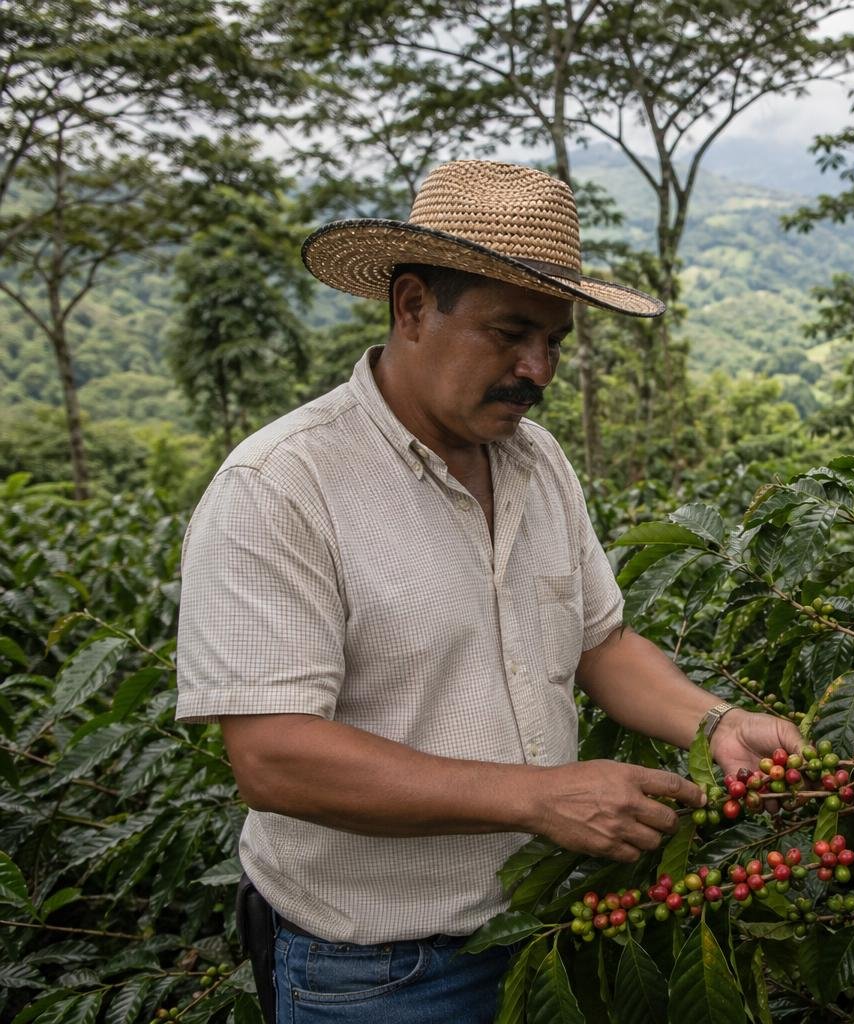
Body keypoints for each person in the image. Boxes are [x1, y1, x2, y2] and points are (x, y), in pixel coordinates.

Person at [174, 160, 802, 1023]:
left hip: (546, 926)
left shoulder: (536, 461)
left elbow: (600, 644)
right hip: (380, 974)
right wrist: (538, 797)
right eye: (511, 333)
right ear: (412, 307)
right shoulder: (282, 486)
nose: (537, 369)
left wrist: (718, 722)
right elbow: (273, 756)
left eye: (554, 341)